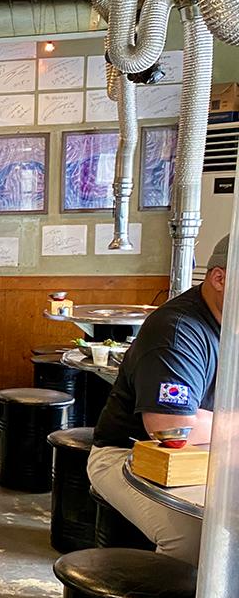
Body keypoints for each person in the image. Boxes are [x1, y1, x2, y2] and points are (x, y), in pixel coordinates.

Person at [87, 235, 228, 564]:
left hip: (210, 456)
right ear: (219, 278)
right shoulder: (177, 330)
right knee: (194, 535)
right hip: (127, 457)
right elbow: (171, 427)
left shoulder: (230, 323)